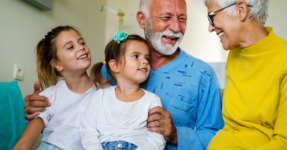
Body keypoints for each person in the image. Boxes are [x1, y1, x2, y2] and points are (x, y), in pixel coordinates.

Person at [24, 0, 224, 149]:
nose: (175, 27)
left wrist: (175, 135)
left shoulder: (203, 75)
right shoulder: (107, 72)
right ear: (141, 19)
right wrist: (42, 106)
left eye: (182, 19)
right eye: (166, 18)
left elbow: (217, 137)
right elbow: (76, 106)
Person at [204, 0, 287, 149]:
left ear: (241, 10)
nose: (210, 27)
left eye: (211, 16)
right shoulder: (234, 54)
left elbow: (286, 144)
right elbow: (239, 106)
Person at [12, 26, 95, 150]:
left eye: (82, 42)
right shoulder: (48, 98)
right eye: (70, 47)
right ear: (57, 64)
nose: (81, 47)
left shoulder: (105, 92)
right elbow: (22, 146)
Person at [80, 32, 166, 150]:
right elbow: (87, 129)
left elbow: (157, 140)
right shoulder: (100, 96)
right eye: (136, 56)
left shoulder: (152, 100)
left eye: (147, 58)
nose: (145, 61)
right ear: (115, 65)